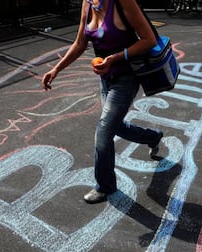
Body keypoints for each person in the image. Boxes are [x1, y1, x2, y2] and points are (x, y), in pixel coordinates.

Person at [41, 0, 163, 204]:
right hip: (106, 79)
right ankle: (153, 137)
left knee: (103, 133)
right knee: (115, 127)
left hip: (126, 78)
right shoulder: (88, 4)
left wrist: (114, 59)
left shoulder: (123, 2)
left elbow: (149, 39)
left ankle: (105, 186)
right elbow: (80, 43)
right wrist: (56, 69)